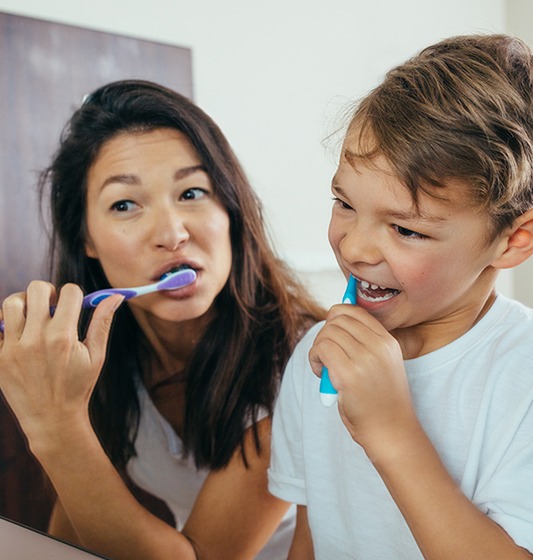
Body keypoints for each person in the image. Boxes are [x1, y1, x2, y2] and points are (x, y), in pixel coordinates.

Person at [0, 79, 325, 560]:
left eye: (192, 192)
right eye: (125, 204)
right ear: (86, 238)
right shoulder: (99, 357)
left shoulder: (304, 364)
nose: (172, 233)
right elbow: (73, 524)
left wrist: (54, 426)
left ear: (231, 210)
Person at [268, 33, 533, 559]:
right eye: (344, 203)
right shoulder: (320, 355)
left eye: (407, 230)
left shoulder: (521, 375)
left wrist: (391, 433)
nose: (356, 247)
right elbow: (311, 538)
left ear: (512, 241)